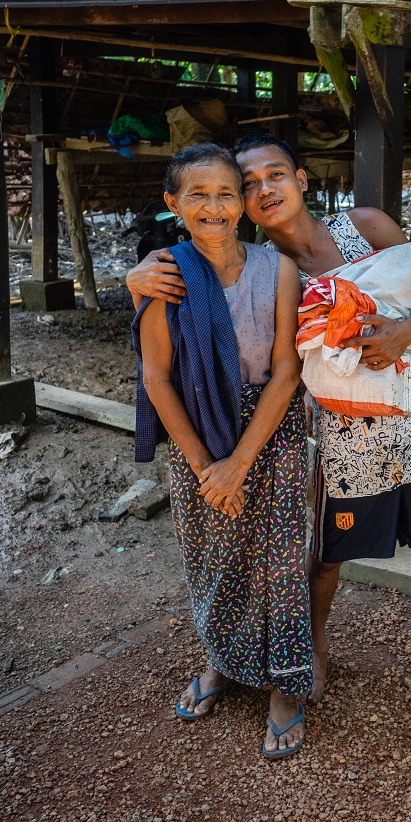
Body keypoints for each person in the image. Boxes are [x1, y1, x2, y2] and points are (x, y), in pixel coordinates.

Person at [127, 133, 411, 720]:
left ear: (303, 179)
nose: (264, 190)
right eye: (250, 184)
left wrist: (406, 333)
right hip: (334, 437)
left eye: (275, 175)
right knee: (324, 558)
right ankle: (312, 652)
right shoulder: (269, 271)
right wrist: (137, 279)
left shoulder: (363, 225)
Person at [131, 143, 312, 758]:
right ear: (173, 204)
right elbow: (158, 379)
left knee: (284, 563)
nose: (214, 207)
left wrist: (241, 462)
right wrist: (209, 465)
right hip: (198, 436)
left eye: (226, 194)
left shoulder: (278, 269)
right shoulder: (164, 276)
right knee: (213, 558)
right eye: (198, 195)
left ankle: (287, 686)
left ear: (241, 202)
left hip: (274, 427)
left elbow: (287, 371)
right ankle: (221, 662)